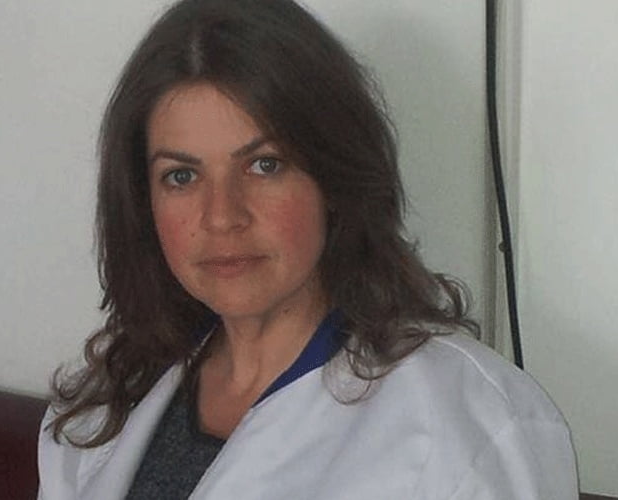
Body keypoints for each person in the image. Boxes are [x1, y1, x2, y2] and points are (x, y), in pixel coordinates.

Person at [37, 0, 578, 498]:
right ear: (142, 200)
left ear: (334, 179)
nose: (222, 216)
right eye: (181, 176)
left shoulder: (473, 425)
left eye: (264, 165)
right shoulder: (101, 401)